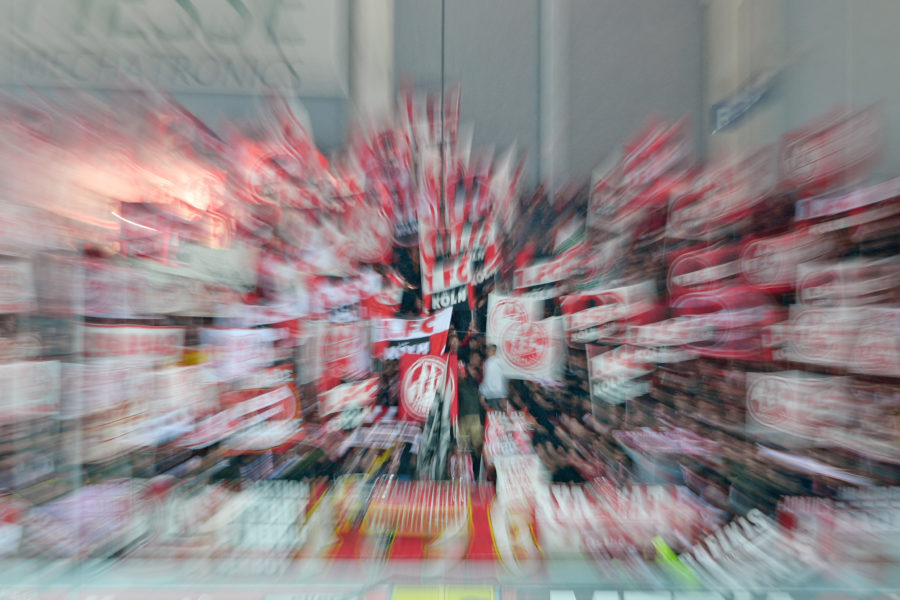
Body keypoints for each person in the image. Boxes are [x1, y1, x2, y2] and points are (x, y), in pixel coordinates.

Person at [479, 344, 508, 411]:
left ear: (489, 350)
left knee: (494, 418)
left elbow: (487, 379)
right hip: (500, 395)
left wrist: (483, 394)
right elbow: (504, 380)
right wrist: (504, 396)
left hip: (492, 396)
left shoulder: (489, 363)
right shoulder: (501, 362)